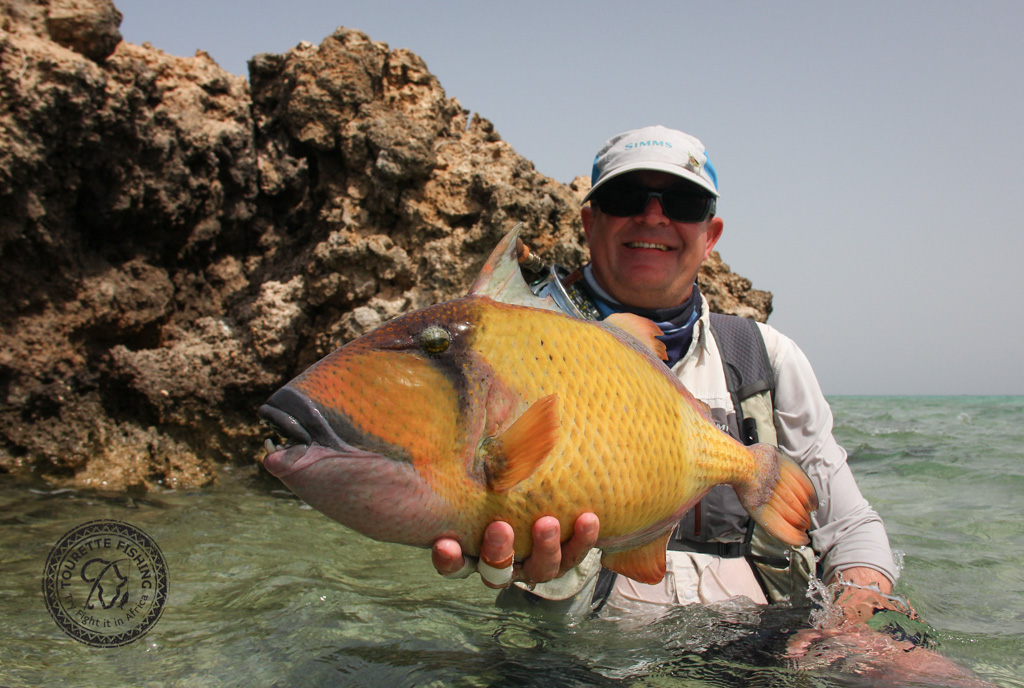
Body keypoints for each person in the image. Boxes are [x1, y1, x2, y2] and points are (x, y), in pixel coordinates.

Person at [432, 125, 900, 624]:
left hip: (752, 655)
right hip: (568, 663)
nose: (653, 216)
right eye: (626, 196)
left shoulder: (767, 358)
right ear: (590, 223)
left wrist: (858, 611)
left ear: (710, 235)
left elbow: (848, 526)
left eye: (682, 203)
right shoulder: (514, 348)